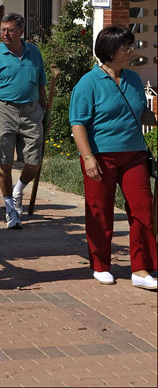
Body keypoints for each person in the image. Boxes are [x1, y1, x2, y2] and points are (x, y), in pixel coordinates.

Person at [69, 25, 157, 290]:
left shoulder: (132, 79)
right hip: (101, 156)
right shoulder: (88, 82)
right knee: (100, 212)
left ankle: (141, 269)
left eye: (131, 46)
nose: (131, 51)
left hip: (134, 155)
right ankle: (100, 265)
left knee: (143, 209)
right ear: (109, 51)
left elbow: (140, 113)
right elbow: (78, 123)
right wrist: (88, 157)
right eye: (125, 47)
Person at [0, 13, 47, 229]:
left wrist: (45, 112)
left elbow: (41, 85)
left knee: (34, 161)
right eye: (2, 29)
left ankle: (18, 189)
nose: (4, 34)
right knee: (4, 162)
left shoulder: (34, 53)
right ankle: (10, 210)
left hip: (31, 110)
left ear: (21, 31)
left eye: (10, 30)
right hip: (4, 109)